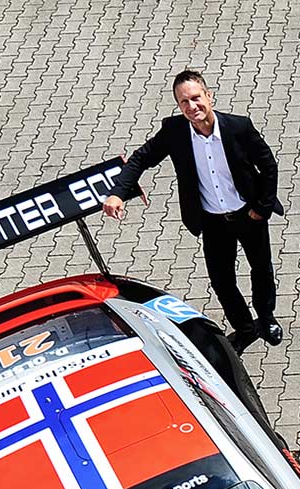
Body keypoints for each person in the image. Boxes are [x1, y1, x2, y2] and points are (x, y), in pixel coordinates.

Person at [104, 70, 284, 350]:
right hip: (212, 220)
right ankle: (245, 328)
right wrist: (118, 193)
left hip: (248, 214)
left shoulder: (238, 127)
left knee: (260, 268)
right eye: (184, 102)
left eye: (196, 98)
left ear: (209, 96)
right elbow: (140, 158)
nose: (192, 106)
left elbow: (269, 166)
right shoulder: (174, 131)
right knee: (222, 281)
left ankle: (266, 318)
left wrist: (261, 208)